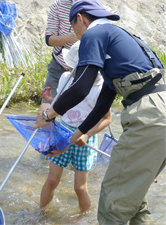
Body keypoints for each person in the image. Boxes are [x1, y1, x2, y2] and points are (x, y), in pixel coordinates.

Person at [34, 0, 166, 224]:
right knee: (134, 198)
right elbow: (104, 100)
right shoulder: (117, 37)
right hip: (159, 108)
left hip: (148, 115)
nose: (74, 34)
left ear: (82, 18)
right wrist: (82, 130)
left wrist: (48, 114)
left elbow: (82, 88)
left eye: (73, 26)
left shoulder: (93, 35)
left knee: (112, 201)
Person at [40, 41, 111, 211]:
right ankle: (40, 213)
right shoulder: (66, 78)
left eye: (74, 67)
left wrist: (86, 134)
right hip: (63, 132)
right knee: (52, 180)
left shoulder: (102, 88)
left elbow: (107, 119)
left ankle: (84, 217)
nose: (70, 70)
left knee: (80, 188)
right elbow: (64, 104)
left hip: (85, 137)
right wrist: (51, 100)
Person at [41, 0, 79, 112]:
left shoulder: (92, 6)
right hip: (59, 66)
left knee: (76, 114)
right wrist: (69, 38)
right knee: (45, 111)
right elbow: (49, 40)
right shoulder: (58, 5)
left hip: (81, 70)